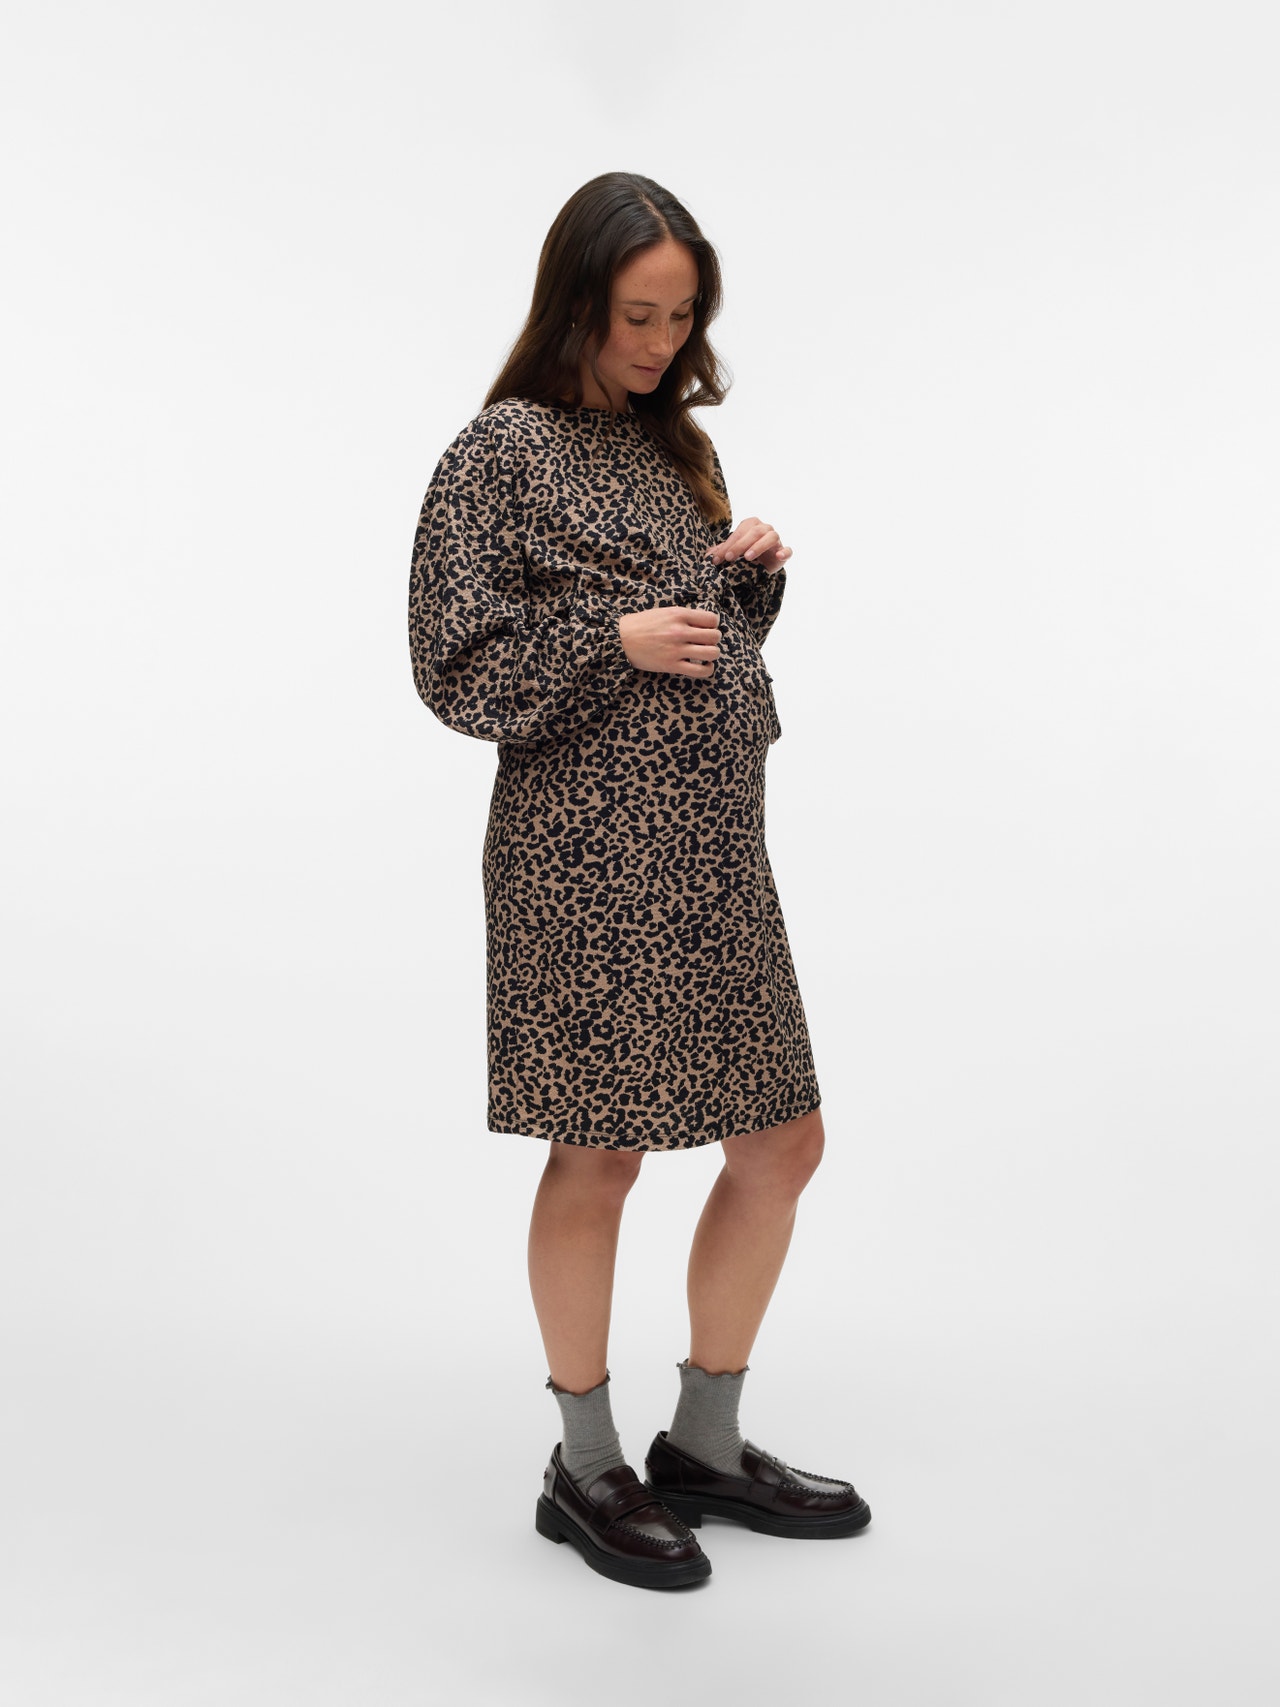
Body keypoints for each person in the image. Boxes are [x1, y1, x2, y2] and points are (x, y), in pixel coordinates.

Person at [408, 172, 870, 1589]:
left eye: (682, 317)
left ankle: (705, 1446)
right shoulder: (499, 451)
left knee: (781, 1143)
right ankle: (587, 1463)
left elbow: (698, 639)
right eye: (637, 316)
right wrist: (612, 641)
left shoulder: (677, 447)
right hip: (584, 861)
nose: (663, 343)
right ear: (575, 305)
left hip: (716, 850)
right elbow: (451, 664)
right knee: (600, 1153)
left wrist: (744, 573)